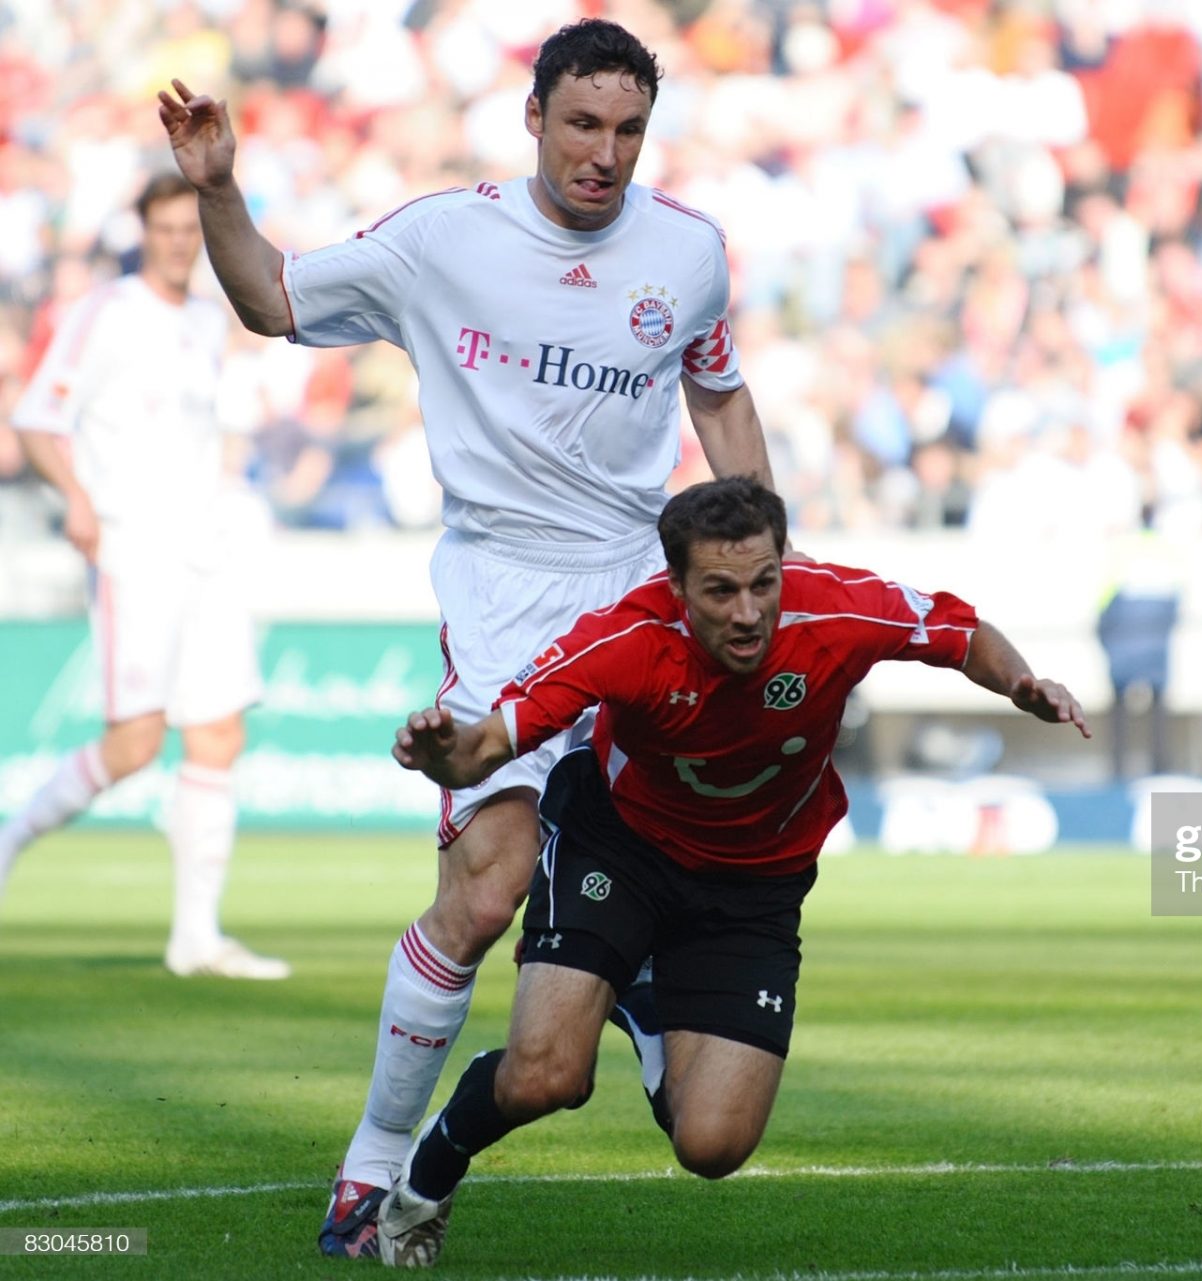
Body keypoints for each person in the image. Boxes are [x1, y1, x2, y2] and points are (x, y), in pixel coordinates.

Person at [157, 19, 785, 1255]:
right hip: (504, 595)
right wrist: (221, 190)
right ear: (534, 118)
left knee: (674, 854)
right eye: (582, 124)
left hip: (641, 596)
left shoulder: (689, 252)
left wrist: (767, 567)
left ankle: (634, 981)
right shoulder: (445, 239)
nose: (604, 154)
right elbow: (271, 299)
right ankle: (371, 1166)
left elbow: (718, 393)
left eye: (628, 131)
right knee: (487, 888)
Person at [373, 478, 1089, 1266]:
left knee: (712, 1145)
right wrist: (439, 752)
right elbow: (483, 745)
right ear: (676, 587)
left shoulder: (837, 607)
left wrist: (1021, 683)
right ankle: (423, 1180)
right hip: (622, 848)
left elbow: (961, 631)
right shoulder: (625, 637)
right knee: (546, 1077)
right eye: (720, 590)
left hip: (755, 884)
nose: (748, 612)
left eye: (763, 584)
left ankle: (643, 1001)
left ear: (783, 564)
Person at [0, 174, 285, 981]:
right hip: (134, 546)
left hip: (205, 547)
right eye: (165, 228)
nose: (179, 241)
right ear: (143, 232)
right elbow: (36, 418)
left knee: (219, 731)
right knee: (134, 743)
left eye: (189, 228)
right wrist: (77, 498)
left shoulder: (208, 319)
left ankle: (197, 935)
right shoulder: (107, 312)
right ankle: (10, 838)